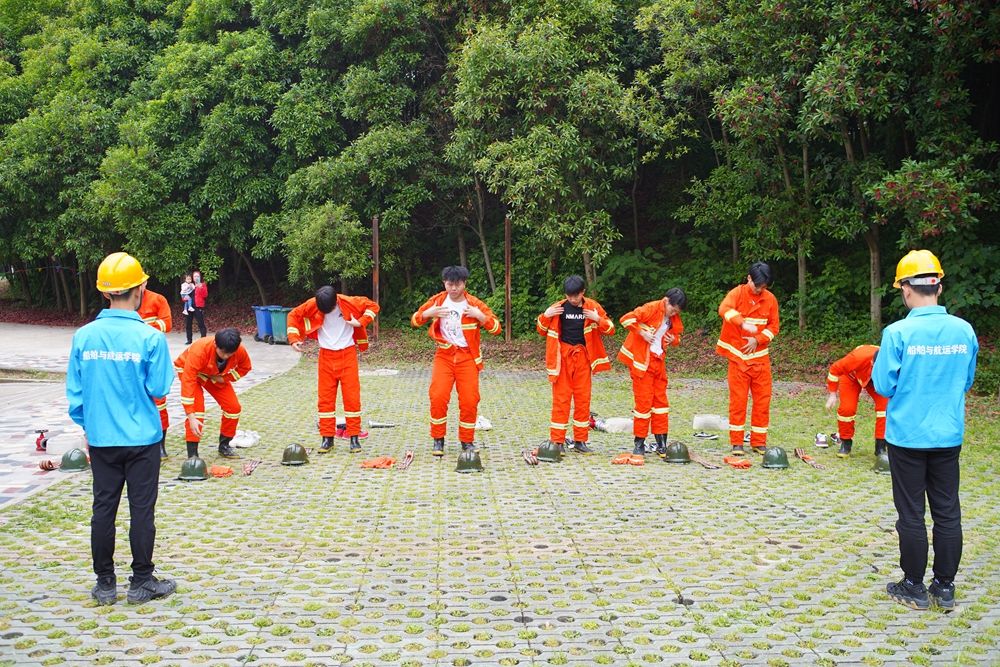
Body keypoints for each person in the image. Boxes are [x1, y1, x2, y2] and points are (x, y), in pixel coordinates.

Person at [66, 252, 177, 606]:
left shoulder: (83, 337)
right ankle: (141, 582)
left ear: (104, 292)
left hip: (102, 440)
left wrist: (91, 426)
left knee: (103, 509)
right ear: (140, 289)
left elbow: (76, 396)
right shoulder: (150, 338)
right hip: (143, 439)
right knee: (142, 510)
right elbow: (158, 387)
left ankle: (105, 584)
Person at [871, 249, 978, 612]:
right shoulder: (964, 331)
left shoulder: (897, 333)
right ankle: (945, 588)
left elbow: (883, 385)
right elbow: (966, 380)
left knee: (911, 513)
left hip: (907, 437)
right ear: (939, 287)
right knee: (947, 512)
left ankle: (913, 585)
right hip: (948, 435)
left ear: (905, 289)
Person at [411, 265, 501, 456]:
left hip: (467, 358)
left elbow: (496, 328)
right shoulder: (438, 301)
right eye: (449, 284)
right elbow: (415, 320)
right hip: (444, 356)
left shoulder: (473, 303)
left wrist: (480, 316)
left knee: (469, 400)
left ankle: (467, 441)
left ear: (464, 283)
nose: (453, 288)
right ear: (444, 283)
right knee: (438, 396)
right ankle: (438, 439)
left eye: (457, 284)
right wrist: (428, 314)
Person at [287, 286, 380, 454]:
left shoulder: (349, 302)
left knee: (352, 398)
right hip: (325, 357)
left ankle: (354, 438)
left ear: (335, 301)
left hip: (348, 355)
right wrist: (294, 339)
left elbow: (373, 306)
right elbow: (293, 315)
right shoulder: (313, 303)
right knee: (325, 399)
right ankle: (327, 438)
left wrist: (361, 322)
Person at [536, 275, 615, 454]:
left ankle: (580, 441)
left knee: (583, 399)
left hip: (583, 358)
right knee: (561, 399)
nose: (573, 299)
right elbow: (541, 330)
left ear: (583, 292)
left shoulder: (592, 307)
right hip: (563, 358)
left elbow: (610, 329)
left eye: (576, 295)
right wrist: (546, 315)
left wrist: (597, 318)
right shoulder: (558, 307)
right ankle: (557, 441)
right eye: (569, 296)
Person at [716, 262, 780, 455]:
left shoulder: (770, 299)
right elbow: (724, 309)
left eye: (764, 286)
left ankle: (759, 442)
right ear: (749, 278)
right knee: (738, 402)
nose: (760, 290)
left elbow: (774, 327)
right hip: (738, 360)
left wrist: (757, 339)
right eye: (757, 285)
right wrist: (742, 323)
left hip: (760, 360)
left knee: (763, 402)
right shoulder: (737, 294)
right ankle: (737, 443)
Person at [618, 288, 687, 458]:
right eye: (672, 310)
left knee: (661, 403)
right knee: (644, 403)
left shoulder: (672, 317)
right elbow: (625, 319)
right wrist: (642, 333)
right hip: (642, 363)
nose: (673, 314)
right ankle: (639, 443)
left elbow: (676, 336)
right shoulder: (650, 308)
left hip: (658, 362)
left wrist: (674, 340)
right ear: (666, 301)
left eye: (676, 312)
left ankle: (661, 442)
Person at [174, 328, 251, 459]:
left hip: (213, 375)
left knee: (233, 408)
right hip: (189, 371)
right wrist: (190, 415)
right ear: (215, 344)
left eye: (230, 354)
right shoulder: (199, 350)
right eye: (223, 353)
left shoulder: (239, 350)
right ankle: (193, 454)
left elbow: (245, 367)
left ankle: (224, 445)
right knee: (197, 411)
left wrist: (225, 378)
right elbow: (188, 382)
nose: (226, 357)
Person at [824, 344, 888, 458]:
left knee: (885, 408)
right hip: (851, 377)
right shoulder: (857, 357)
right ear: (872, 363)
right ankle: (846, 443)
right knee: (847, 409)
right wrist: (832, 394)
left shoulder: (894, 360)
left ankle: (880, 448)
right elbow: (834, 369)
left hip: (875, 382)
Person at [137, 286, 174, 459]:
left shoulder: (157, 299)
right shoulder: (124, 300)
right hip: (132, 356)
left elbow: (167, 323)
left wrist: (141, 328)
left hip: (153, 355)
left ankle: (160, 445)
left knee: (159, 402)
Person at [184, 270, 208, 344]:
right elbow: (184, 294)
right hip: (189, 306)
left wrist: (201, 287)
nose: (196, 277)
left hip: (198, 306)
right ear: (193, 277)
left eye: (198, 276)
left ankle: (203, 339)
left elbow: (205, 295)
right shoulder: (189, 285)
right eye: (195, 276)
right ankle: (189, 340)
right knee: (188, 324)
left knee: (201, 323)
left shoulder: (203, 285)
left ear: (200, 277)